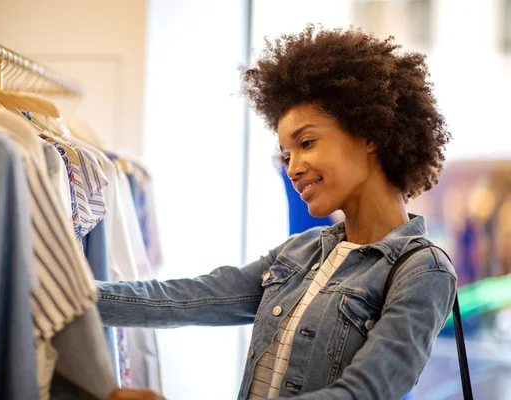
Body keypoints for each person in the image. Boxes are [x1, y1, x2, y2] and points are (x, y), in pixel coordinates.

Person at [97, 25, 457, 400]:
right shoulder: (301, 252)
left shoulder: (422, 270)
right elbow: (188, 297)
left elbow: (361, 393)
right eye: (286, 155)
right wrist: (63, 298)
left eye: (306, 143)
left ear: (369, 135)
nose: (293, 168)